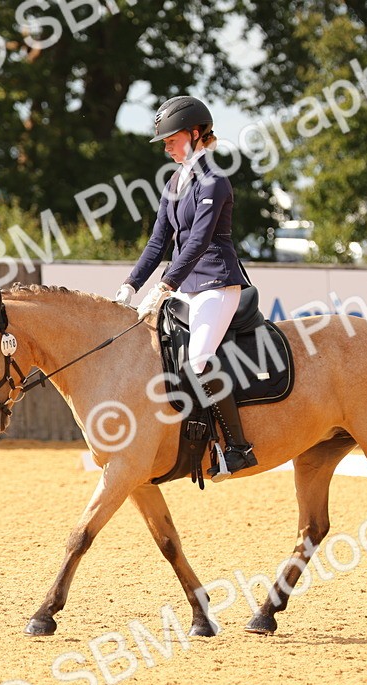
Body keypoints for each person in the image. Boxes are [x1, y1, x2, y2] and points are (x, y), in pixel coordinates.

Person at [114, 95, 257, 480]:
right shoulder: (176, 182)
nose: (166, 146)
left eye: (171, 139)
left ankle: (239, 448)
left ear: (195, 134)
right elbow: (158, 242)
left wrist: (165, 285)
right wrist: (130, 285)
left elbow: (197, 241)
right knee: (154, 351)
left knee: (199, 360)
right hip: (184, 285)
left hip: (216, 282)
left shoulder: (214, 180)